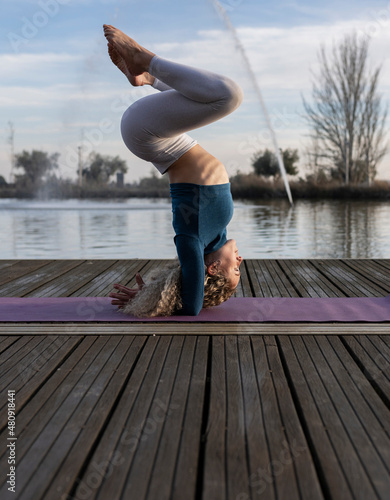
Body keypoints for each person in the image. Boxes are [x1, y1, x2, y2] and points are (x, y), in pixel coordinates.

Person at [104, 24, 243, 316]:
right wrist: (159, 290)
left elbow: (191, 307)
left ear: (214, 267)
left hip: (147, 135)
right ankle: (146, 76)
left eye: (235, 273)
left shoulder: (191, 239)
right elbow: (186, 285)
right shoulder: (214, 235)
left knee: (228, 96)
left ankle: (145, 61)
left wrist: (156, 298)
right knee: (206, 97)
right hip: (169, 140)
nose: (240, 263)